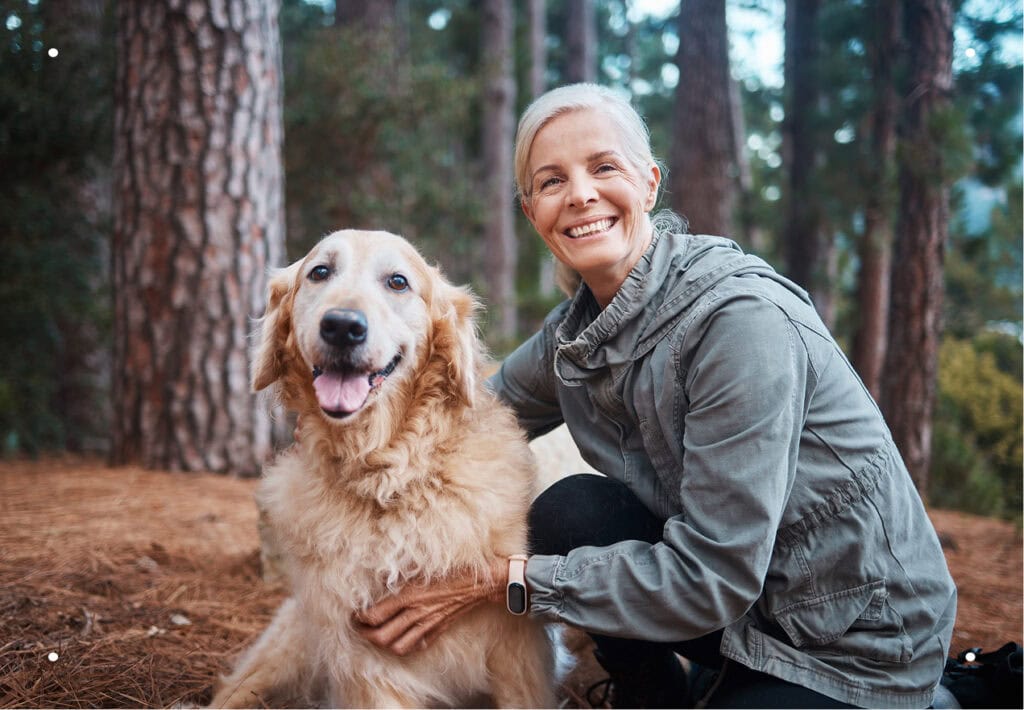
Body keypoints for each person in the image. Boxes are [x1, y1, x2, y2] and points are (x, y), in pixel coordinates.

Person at [355, 83, 957, 709]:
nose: (581, 194)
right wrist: (356, 397)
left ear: (648, 183)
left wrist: (502, 583)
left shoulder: (738, 324)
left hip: (852, 635)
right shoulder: (574, 335)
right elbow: (464, 413)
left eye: (603, 167)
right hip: (746, 610)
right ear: (531, 210)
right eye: (552, 180)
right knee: (574, 512)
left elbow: (714, 578)